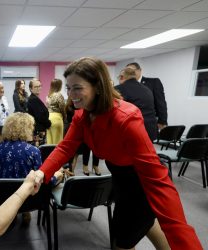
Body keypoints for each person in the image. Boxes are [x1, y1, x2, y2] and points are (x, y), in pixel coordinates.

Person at [34, 57, 202, 250]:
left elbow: (157, 179)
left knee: (122, 241)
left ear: (98, 86)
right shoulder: (83, 114)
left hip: (142, 182)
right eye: (68, 88)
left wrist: (186, 242)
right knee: (143, 223)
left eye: (77, 88)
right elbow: (66, 147)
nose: (71, 95)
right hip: (121, 178)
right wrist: (42, 172)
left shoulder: (126, 118)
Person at [0, 112, 64, 224]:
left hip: (3, 195)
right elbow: (41, 179)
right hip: (29, 197)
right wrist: (56, 175)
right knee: (57, 175)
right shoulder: (32, 150)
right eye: (31, 127)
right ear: (25, 129)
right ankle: (25, 211)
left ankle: (13, 212)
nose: (33, 130)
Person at [116, 67, 158, 141]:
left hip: (132, 131)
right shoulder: (147, 89)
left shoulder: (119, 89)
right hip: (150, 130)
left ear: (122, 77)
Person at [126, 62, 168, 131]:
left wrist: (162, 121)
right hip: (131, 122)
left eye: (133, 71)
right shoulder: (125, 86)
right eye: (128, 72)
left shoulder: (153, 82)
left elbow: (161, 103)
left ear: (140, 70)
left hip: (149, 123)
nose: (131, 73)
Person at [65, 98, 100, 176]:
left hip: (90, 128)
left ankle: (95, 166)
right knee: (80, 150)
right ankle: (83, 167)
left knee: (95, 146)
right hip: (77, 130)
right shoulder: (70, 107)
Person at [27, 78, 51, 146]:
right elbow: (40, 116)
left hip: (38, 130)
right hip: (37, 132)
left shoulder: (35, 98)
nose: (38, 88)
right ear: (31, 89)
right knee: (39, 152)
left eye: (39, 86)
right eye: (36, 87)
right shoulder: (33, 99)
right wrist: (49, 123)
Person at [46, 78, 66, 144]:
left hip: (49, 118)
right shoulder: (59, 95)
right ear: (59, 86)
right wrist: (64, 117)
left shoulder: (49, 96)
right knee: (57, 142)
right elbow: (62, 108)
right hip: (57, 118)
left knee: (50, 141)